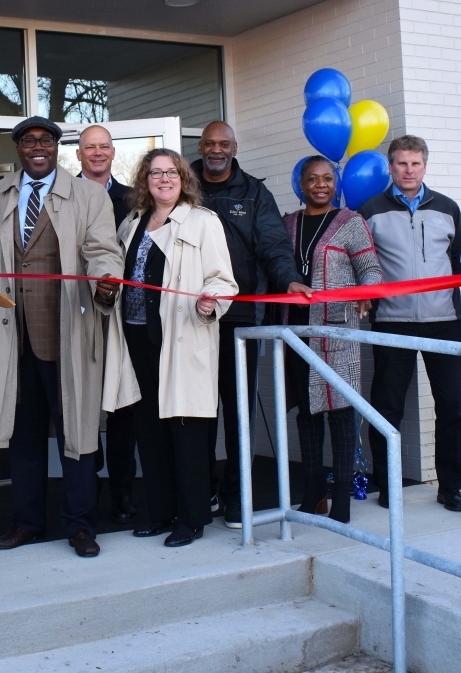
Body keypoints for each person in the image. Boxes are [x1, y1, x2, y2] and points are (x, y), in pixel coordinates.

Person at [0, 116, 124, 558]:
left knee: (76, 431)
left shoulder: (89, 195)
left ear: (58, 148)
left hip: (66, 331)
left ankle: (80, 525)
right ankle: (26, 522)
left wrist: (104, 280)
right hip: (13, 336)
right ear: (18, 149)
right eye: (28, 142)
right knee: (24, 437)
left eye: (46, 141)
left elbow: (102, 250)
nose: (37, 148)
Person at [101, 148, 238, 547]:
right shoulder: (131, 224)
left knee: (186, 432)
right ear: (145, 180)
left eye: (171, 172)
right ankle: (159, 512)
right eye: (155, 173)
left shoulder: (202, 222)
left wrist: (210, 300)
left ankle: (190, 518)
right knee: (151, 431)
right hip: (138, 339)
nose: (163, 179)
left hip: (182, 339)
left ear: (183, 179)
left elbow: (223, 280)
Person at [189, 121, 309, 529]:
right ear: (200, 146)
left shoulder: (255, 192)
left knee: (239, 412)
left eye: (224, 143)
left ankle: (237, 496)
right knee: (196, 412)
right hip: (191, 316)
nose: (216, 150)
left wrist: (288, 278)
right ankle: (199, 492)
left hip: (240, 320)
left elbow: (273, 245)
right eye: (209, 143)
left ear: (235, 147)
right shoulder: (183, 185)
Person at [358, 135, 461, 512]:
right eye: (402, 164)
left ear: (425, 166)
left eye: (415, 163)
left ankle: (451, 486)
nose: (409, 170)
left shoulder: (448, 208)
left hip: (444, 321)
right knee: (387, 406)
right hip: (392, 320)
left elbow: (459, 264)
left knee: (452, 405)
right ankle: (388, 485)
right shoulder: (369, 209)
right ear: (391, 167)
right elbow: (361, 264)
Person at [281, 155, 382, 524]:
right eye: (312, 178)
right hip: (296, 332)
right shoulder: (288, 223)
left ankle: (341, 497)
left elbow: (370, 268)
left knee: (340, 414)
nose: (320, 184)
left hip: (337, 331)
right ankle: (313, 493)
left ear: (335, 183)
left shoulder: (350, 222)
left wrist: (365, 293)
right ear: (301, 184)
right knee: (306, 415)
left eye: (327, 178)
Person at [76, 124, 138, 524]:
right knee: (81, 405)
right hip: (77, 314)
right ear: (79, 155)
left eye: (104, 147)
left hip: (122, 317)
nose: (97, 153)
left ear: (113, 153)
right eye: (89, 148)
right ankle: (85, 492)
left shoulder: (134, 200)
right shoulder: (63, 196)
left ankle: (122, 494)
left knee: (122, 410)